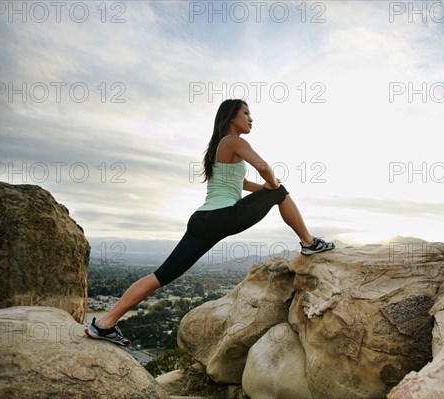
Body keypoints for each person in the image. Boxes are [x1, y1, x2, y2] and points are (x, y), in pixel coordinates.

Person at [85, 99, 334, 346]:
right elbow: (264, 167)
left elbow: (244, 185)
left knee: (160, 276)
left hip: (201, 221)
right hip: (222, 216)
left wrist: (269, 190)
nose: (251, 118)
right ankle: (309, 242)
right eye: (245, 113)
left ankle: (104, 324)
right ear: (231, 117)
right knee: (281, 191)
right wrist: (275, 186)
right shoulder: (235, 141)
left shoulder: (218, 147)